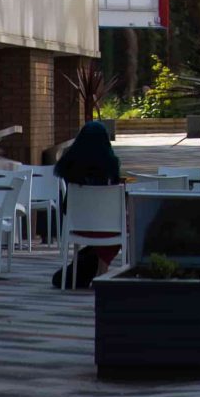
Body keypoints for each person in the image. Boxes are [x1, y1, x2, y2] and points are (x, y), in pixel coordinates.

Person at [50, 120, 123, 287]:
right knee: (121, 227)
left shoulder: (68, 166)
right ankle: (102, 271)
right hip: (104, 225)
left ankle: (91, 270)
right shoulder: (110, 165)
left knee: (111, 229)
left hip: (76, 224)